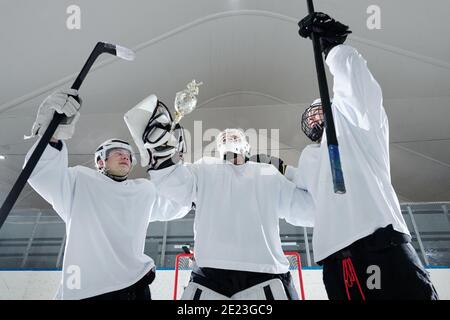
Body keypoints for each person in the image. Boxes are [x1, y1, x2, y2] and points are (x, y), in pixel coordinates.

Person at [281, 12, 438, 300]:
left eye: (321, 110)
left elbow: (358, 90)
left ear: (335, 107)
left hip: (381, 246)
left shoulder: (358, 129)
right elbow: (300, 200)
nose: (315, 119)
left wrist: (333, 48)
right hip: (336, 262)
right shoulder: (309, 160)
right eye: (312, 115)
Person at [124, 98, 314, 300]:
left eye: (234, 135)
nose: (227, 137)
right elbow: (175, 185)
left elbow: (307, 210)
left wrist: (289, 173)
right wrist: (163, 158)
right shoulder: (204, 167)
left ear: (246, 145)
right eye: (223, 137)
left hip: (265, 271)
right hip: (211, 275)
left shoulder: (268, 172)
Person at [25, 89, 189, 300]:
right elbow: (42, 174)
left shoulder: (143, 190)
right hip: (88, 291)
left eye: (128, 155)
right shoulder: (79, 182)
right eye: (117, 153)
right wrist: (51, 135)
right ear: (100, 162)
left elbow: (178, 204)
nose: (125, 157)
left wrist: (175, 167)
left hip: (134, 288)